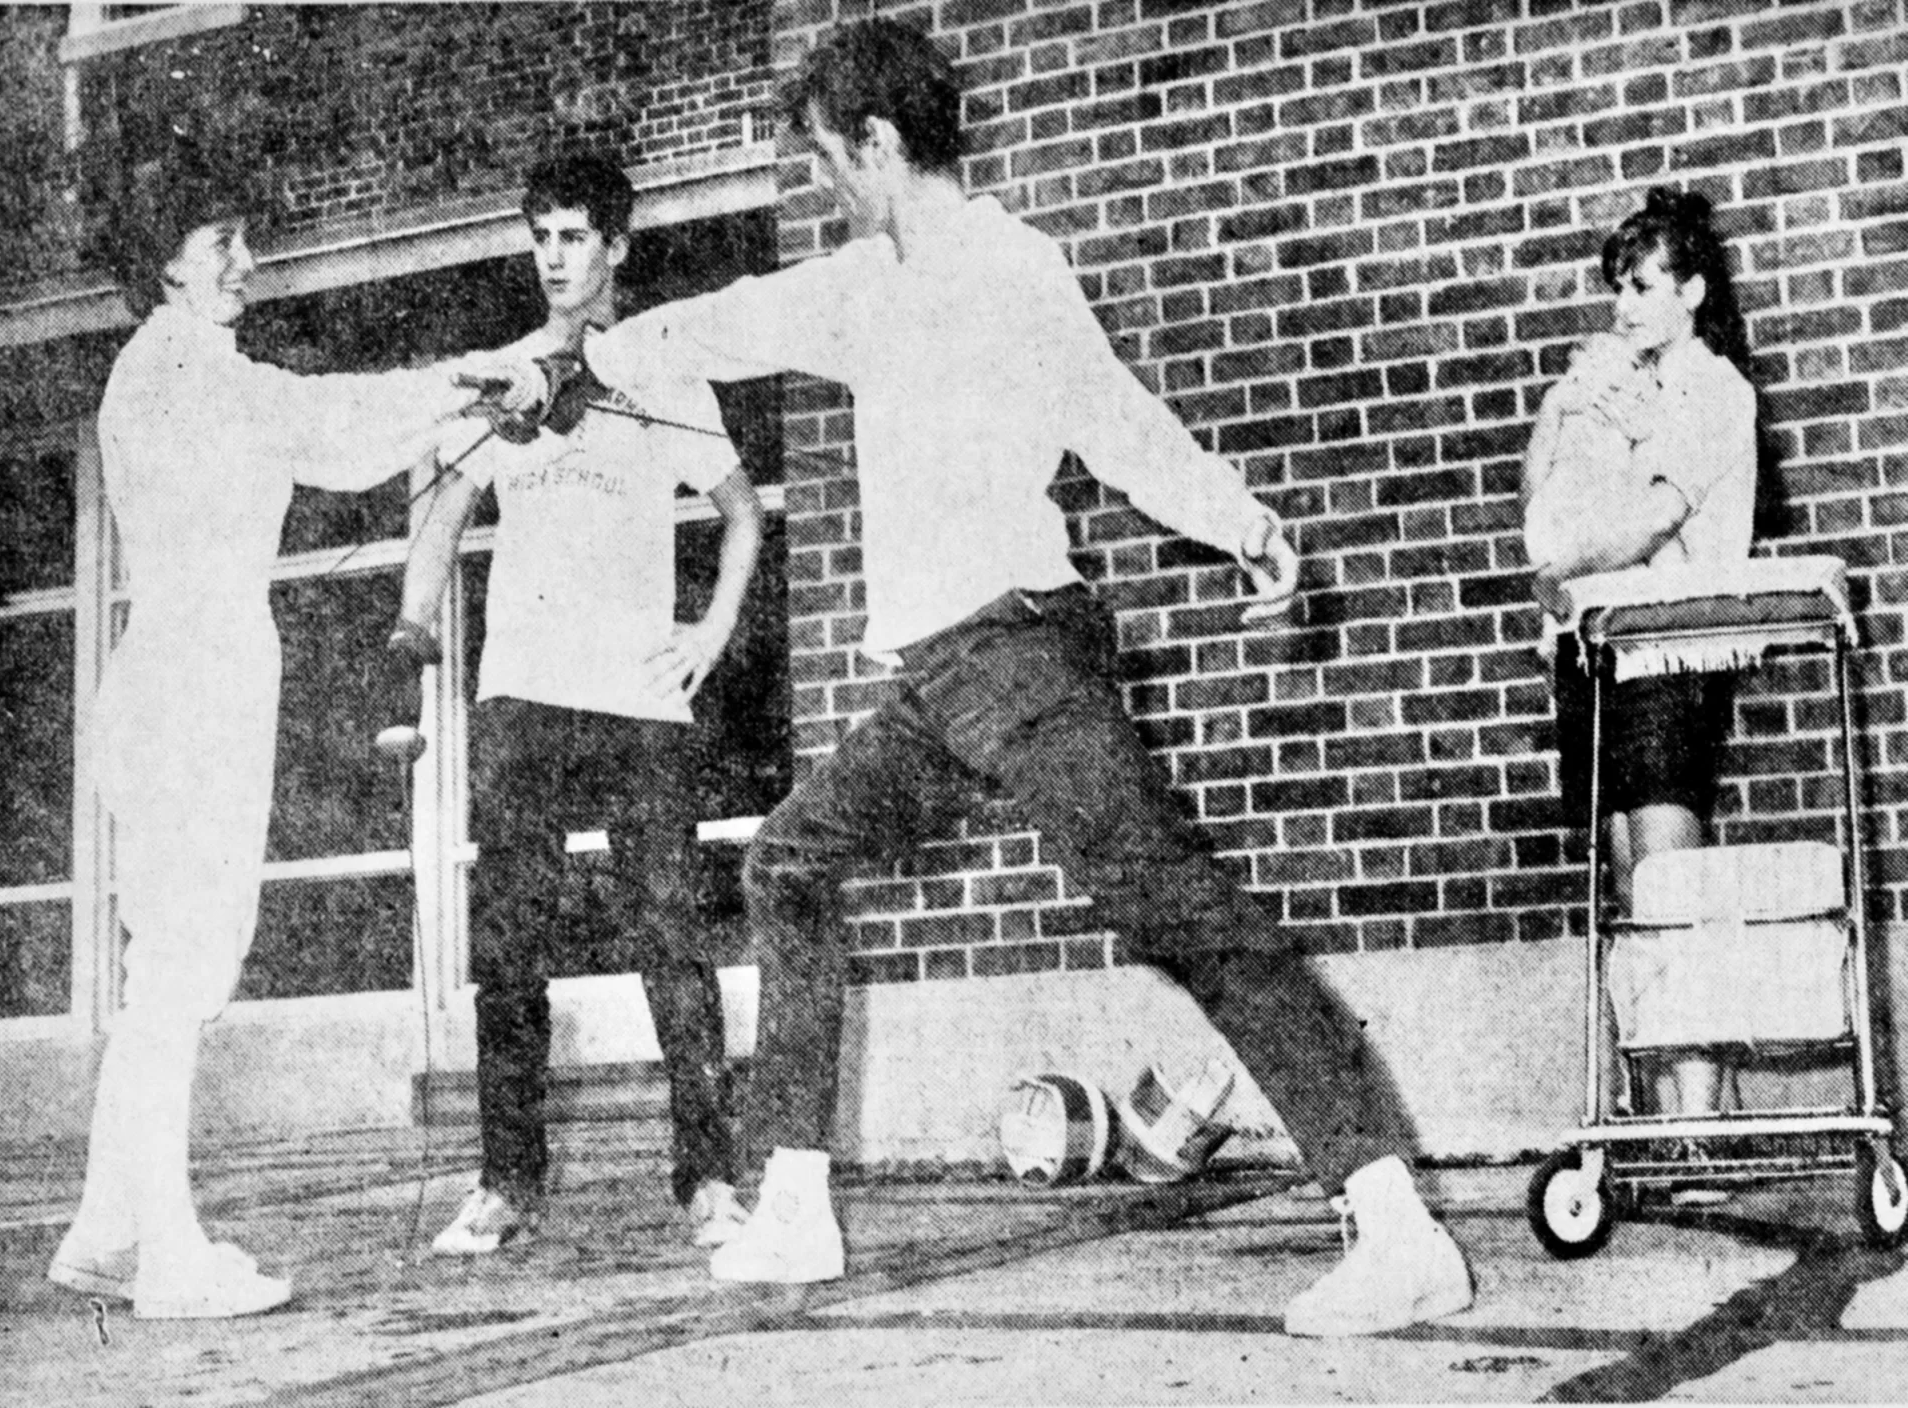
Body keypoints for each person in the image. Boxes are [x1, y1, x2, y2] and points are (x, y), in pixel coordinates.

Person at [584, 19, 1472, 1337]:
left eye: (829, 160)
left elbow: (1116, 424)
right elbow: (722, 325)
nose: (826, 184)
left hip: (1019, 658)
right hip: (940, 685)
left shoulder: (1007, 269)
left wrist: (1242, 523)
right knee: (787, 862)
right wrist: (587, 356)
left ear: (878, 147)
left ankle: (1395, 1227)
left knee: (1177, 912)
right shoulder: (859, 283)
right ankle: (793, 1202)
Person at [48, 138, 540, 1319]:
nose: (245, 261)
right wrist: (471, 378)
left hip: (184, 668)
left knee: (162, 965)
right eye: (220, 243)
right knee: (179, 971)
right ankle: (168, 1254)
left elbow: (320, 420)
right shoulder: (185, 374)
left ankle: (107, 1227)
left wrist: (450, 391)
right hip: (191, 678)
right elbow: (327, 420)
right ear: (160, 262)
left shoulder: (170, 365)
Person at [390, 153, 764, 1257]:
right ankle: (506, 1179)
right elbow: (440, 513)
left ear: (617, 245)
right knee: (509, 948)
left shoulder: (659, 374)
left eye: (572, 236)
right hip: (520, 696)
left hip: (638, 702)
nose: (553, 256)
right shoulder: (505, 378)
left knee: (669, 940)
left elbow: (742, 513)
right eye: (539, 236)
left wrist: (710, 632)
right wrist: (413, 627)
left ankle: (707, 1178)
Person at [1522, 188, 1758, 1119]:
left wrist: (1556, 562)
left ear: (1691, 291)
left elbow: (1647, 521)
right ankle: (1664, 1109)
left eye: (1642, 286)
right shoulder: (1617, 384)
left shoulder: (1714, 392)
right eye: (1616, 287)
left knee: (1670, 878)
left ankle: (1702, 1112)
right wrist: (1561, 401)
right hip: (1597, 646)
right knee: (1626, 878)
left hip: (1669, 649)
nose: (1622, 306)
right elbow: (1538, 496)